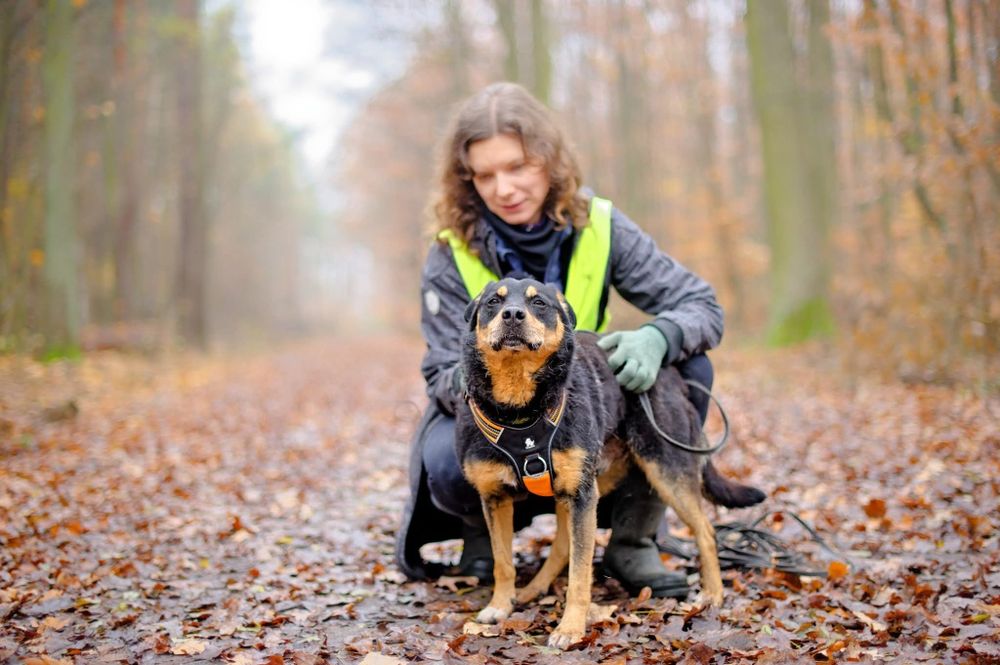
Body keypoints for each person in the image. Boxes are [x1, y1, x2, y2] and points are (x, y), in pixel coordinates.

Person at [395, 82, 722, 599]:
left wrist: (658, 337)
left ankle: (633, 539)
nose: (504, 187)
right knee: (445, 460)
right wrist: (504, 375)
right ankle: (483, 535)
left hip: (584, 408)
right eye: (486, 174)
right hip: (493, 412)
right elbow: (440, 373)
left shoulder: (601, 227)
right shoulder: (449, 253)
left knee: (691, 368)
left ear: (550, 161)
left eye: (518, 166)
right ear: (467, 181)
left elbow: (702, 305)